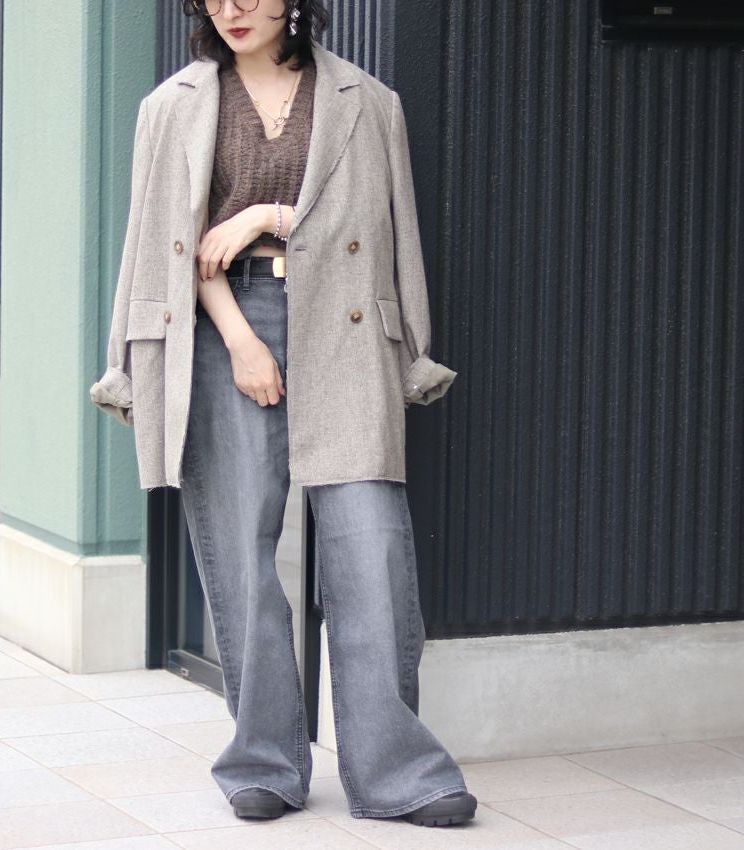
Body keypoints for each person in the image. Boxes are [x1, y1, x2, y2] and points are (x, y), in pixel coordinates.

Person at [96, 0, 478, 829]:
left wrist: (267, 217)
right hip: (224, 325)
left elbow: (384, 231)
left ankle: (398, 771)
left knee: (370, 548)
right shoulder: (171, 106)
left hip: (344, 321)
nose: (232, 8)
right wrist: (241, 340)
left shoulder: (366, 102)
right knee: (241, 551)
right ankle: (265, 759)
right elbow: (169, 243)